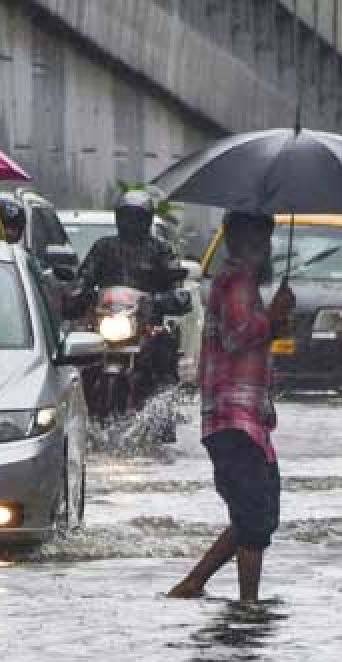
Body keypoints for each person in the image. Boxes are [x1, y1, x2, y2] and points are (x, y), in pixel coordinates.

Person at [168, 210, 294, 603]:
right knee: (254, 515)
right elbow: (241, 336)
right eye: (260, 241)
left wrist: (275, 322)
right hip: (234, 421)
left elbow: (246, 342)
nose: (266, 249)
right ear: (245, 244)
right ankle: (248, 604)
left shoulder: (242, 284)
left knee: (256, 513)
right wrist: (273, 319)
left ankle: (195, 583)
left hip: (247, 420)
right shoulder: (237, 280)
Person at [74, 190, 183, 407]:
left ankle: (164, 411)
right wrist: (78, 292)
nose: (131, 223)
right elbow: (85, 276)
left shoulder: (160, 249)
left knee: (165, 346)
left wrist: (170, 298)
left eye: (137, 217)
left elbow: (174, 282)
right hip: (107, 319)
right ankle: (80, 405)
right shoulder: (103, 247)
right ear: (118, 218)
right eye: (127, 216)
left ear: (147, 220)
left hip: (146, 324)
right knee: (78, 354)